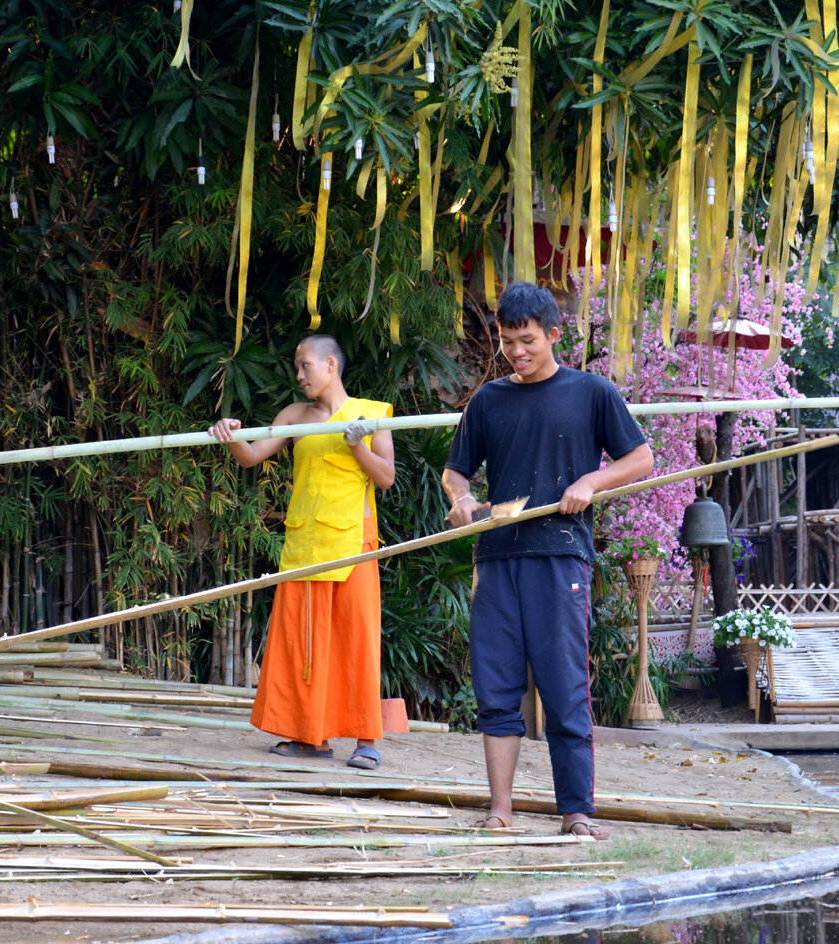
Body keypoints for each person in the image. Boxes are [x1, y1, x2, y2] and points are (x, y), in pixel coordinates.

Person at [441, 283, 653, 839]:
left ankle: (576, 812)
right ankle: (501, 810)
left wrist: (591, 480)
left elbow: (642, 457)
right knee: (496, 686)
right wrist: (461, 499)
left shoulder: (591, 393)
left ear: (554, 334)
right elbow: (455, 470)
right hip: (498, 556)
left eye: (527, 339)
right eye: (508, 341)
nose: (517, 351)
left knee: (564, 686)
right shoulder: (488, 400)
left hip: (562, 558)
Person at [209, 334, 395, 770]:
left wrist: (356, 445)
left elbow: (385, 477)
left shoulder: (372, 414)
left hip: (354, 543)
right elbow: (251, 456)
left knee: (357, 641)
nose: (298, 375)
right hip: (305, 543)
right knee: (305, 642)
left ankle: (366, 739)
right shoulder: (295, 415)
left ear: (330, 364)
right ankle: (311, 737)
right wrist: (229, 435)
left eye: (304, 365)